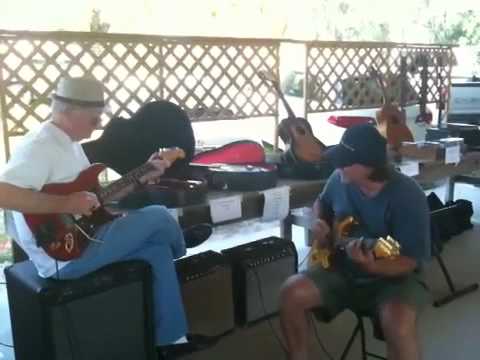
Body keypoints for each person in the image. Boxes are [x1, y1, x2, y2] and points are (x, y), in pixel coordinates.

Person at [0, 76, 214, 358]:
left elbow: (96, 200)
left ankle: (170, 343)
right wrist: (66, 202)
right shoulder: (39, 146)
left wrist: (143, 174)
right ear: (68, 111)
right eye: (93, 119)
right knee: (159, 216)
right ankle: (181, 241)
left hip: (86, 236)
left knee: (158, 251)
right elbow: (4, 193)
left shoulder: (70, 144)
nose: (99, 125)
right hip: (64, 254)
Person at [280, 124, 431, 360]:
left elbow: (410, 260)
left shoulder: (409, 196)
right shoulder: (340, 179)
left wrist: (372, 266)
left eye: (345, 161)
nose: (337, 165)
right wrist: (319, 221)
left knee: (399, 325)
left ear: (368, 166)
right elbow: (323, 202)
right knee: (291, 293)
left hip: (394, 276)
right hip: (342, 266)